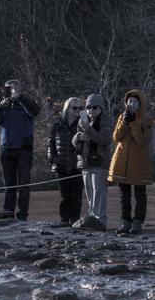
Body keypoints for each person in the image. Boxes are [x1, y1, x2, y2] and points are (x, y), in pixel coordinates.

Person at [0, 79, 39, 221]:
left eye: (14, 88)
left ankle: (23, 214)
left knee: (24, 183)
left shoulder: (26, 104)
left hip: (23, 149)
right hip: (6, 149)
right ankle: (8, 211)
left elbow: (35, 111)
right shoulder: (4, 105)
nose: (11, 91)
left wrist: (20, 98)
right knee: (8, 183)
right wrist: (1, 106)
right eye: (8, 88)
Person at [108, 88, 152, 236]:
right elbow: (116, 138)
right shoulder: (122, 116)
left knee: (140, 194)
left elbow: (142, 140)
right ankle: (125, 221)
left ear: (140, 103)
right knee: (124, 195)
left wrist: (133, 124)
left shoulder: (146, 119)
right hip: (122, 161)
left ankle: (138, 222)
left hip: (139, 162)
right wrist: (124, 123)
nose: (131, 104)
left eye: (134, 101)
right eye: (129, 101)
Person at [72, 94, 111, 232]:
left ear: (101, 108)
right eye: (88, 107)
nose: (91, 110)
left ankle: (100, 220)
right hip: (85, 162)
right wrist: (78, 136)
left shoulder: (105, 121)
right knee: (89, 192)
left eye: (94, 107)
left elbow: (104, 140)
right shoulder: (83, 120)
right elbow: (74, 142)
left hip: (100, 162)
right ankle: (92, 218)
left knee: (98, 192)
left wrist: (88, 129)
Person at [46, 97, 84, 227]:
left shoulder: (82, 125)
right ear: (67, 109)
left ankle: (75, 220)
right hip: (61, 165)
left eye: (80, 108)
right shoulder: (57, 125)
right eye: (75, 108)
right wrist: (53, 158)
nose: (78, 110)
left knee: (77, 195)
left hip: (77, 165)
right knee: (65, 195)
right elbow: (50, 143)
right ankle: (64, 219)